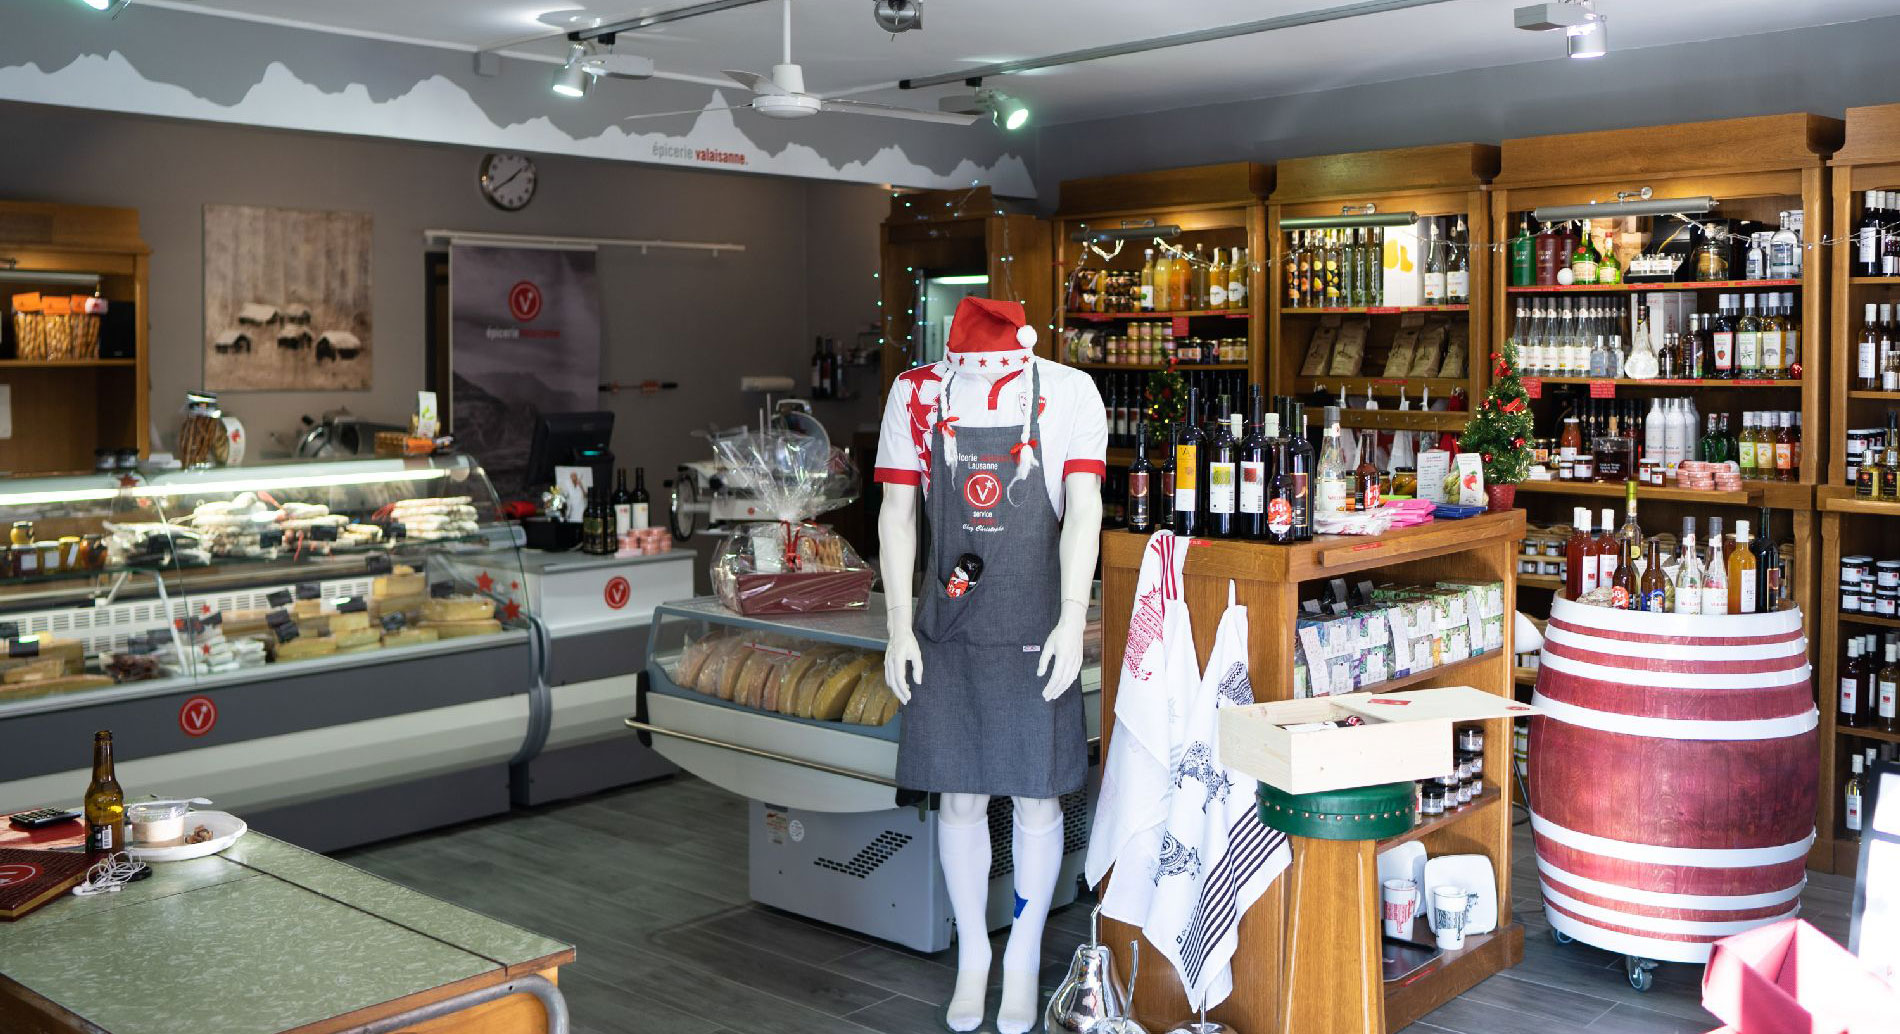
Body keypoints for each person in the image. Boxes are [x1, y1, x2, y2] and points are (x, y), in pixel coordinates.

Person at [874, 296, 1107, 1034]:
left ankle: (1025, 955)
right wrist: (897, 625)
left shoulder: (1069, 392)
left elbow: (1086, 508)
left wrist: (1074, 619)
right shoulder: (914, 393)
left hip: (1037, 630)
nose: (985, 387)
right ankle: (975, 954)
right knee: (961, 798)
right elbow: (896, 514)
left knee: (1039, 800)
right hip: (947, 630)